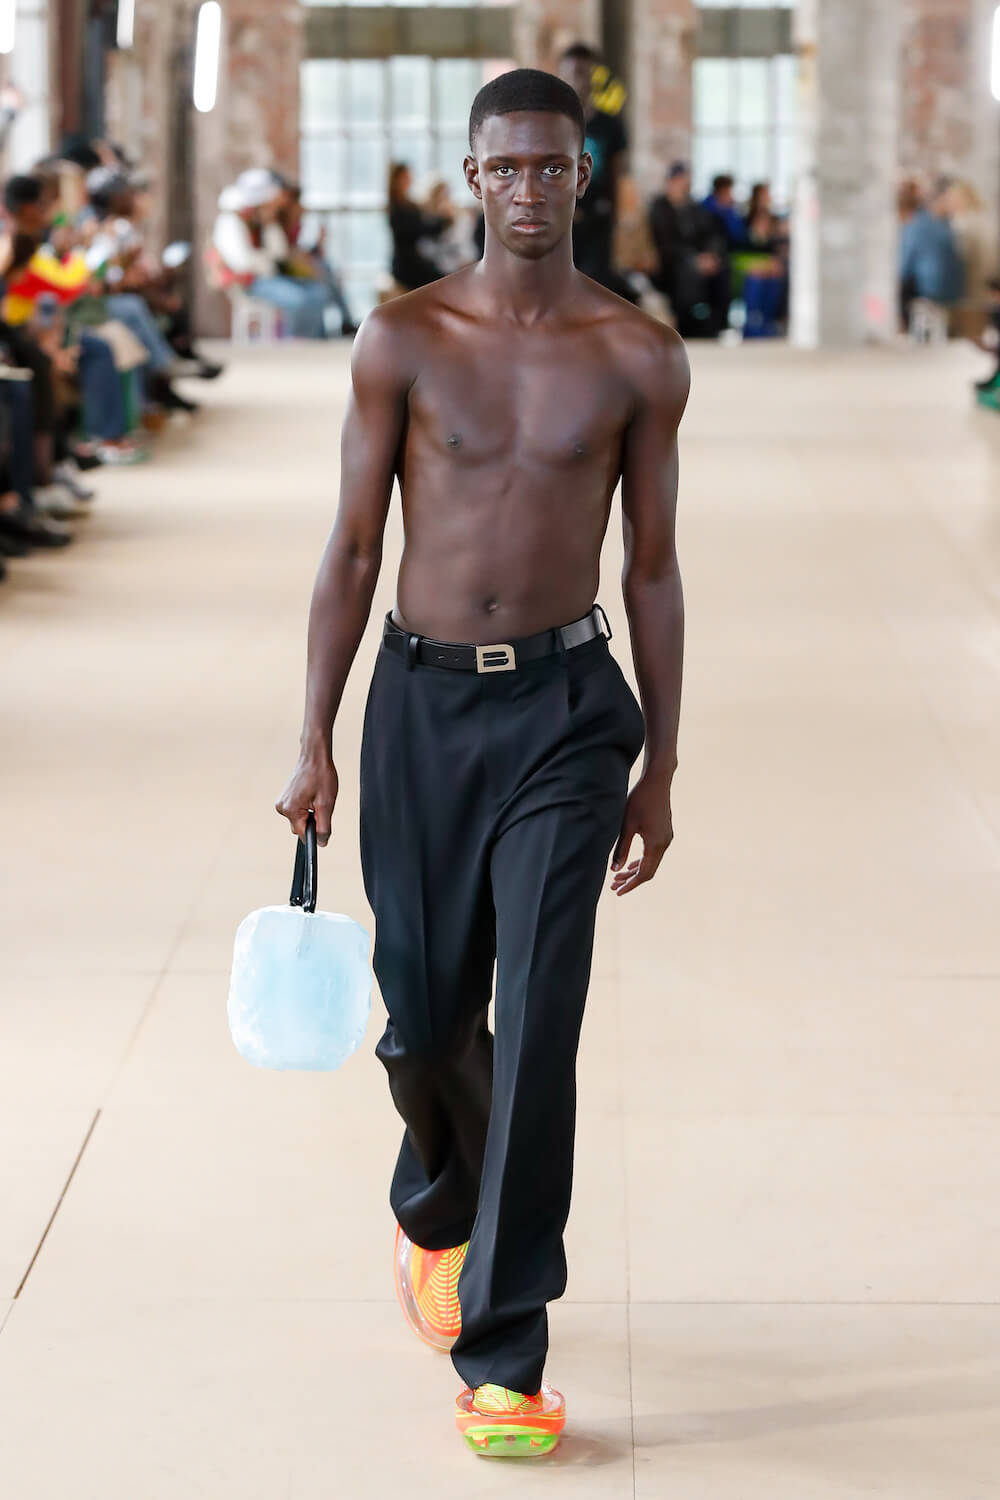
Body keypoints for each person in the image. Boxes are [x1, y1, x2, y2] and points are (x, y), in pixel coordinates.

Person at [275, 67, 688, 1457]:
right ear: (471, 177)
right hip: (420, 708)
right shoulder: (403, 338)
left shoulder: (637, 355)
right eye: (504, 167)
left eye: (549, 167)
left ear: (583, 177)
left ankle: (506, 1355)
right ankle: (439, 1205)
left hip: (568, 715)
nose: (527, 189)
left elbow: (653, 570)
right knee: (421, 1019)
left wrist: (661, 761)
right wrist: (313, 733)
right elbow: (351, 547)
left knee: (542, 1020)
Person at [212, 168, 332, 338]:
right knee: (298, 299)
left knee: (318, 293)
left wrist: (270, 225)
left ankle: (312, 339)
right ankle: (296, 341)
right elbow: (243, 263)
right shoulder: (230, 222)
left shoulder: (264, 222)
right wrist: (267, 261)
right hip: (252, 282)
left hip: (272, 276)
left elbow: (280, 254)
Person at [557, 41, 632, 297]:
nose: (578, 79)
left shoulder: (610, 125)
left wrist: (618, 220)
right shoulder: (552, 123)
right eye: (572, 72)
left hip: (598, 219)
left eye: (583, 72)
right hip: (561, 218)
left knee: (595, 287)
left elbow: (617, 174)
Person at [648, 160, 730, 337]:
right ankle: (689, 326)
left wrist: (711, 255)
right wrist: (694, 259)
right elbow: (665, 243)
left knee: (722, 269)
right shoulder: (659, 208)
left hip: (698, 258)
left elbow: (710, 234)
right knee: (686, 273)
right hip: (673, 262)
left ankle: (717, 326)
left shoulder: (694, 208)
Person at [899, 177, 965, 331]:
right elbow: (905, 266)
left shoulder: (942, 224)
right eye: (952, 198)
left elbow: (905, 266)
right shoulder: (924, 224)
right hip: (935, 294)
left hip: (942, 295)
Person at [387, 163, 452, 291]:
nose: (409, 180)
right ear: (396, 180)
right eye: (405, 177)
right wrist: (443, 221)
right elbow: (418, 230)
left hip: (414, 260)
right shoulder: (397, 208)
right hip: (406, 265)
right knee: (441, 279)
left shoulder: (408, 204)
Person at [702, 173, 746, 251]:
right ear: (722, 191)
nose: (731, 196)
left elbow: (739, 235)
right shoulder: (704, 209)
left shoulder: (729, 209)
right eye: (728, 192)